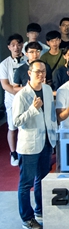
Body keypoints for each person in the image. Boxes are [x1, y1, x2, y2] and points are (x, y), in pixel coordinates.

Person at [12, 60, 57, 229]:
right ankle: (27, 218)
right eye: (37, 71)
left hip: (46, 141)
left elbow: (50, 114)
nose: (41, 74)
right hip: (29, 146)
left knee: (42, 179)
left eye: (43, 71)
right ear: (29, 73)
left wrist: (53, 134)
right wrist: (33, 109)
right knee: (26, 183)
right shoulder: (22, 95)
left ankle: (40, 210)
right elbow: (16, 121)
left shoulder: (47, 90)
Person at [1, 33, 28, 166]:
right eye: (13, 45)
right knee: (12, 127)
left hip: (28, 98)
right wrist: (18, 94)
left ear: (22, 45)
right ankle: (13, 153)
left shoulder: (28, 60)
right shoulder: (4, 64)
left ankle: (26, 152)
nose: (16, 47)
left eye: (18, 44)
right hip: (12, 99)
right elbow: (5, 85)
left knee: (27, 126)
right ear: (9, 47)